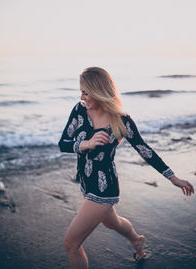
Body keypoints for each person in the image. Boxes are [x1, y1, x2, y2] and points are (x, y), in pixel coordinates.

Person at [58, 67, 194, 269]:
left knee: (71, 243)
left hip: (103, 189)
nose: (82, 96)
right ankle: (137, 240)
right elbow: (63, 143)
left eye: (86, 92)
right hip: (86, 182)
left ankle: (135, 240)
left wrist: (173, 178)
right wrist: (87, 143)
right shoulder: (79, 109)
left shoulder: (121, 121)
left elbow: (145, 150)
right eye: (81, 91)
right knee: (112, 222)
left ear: (99, 91)